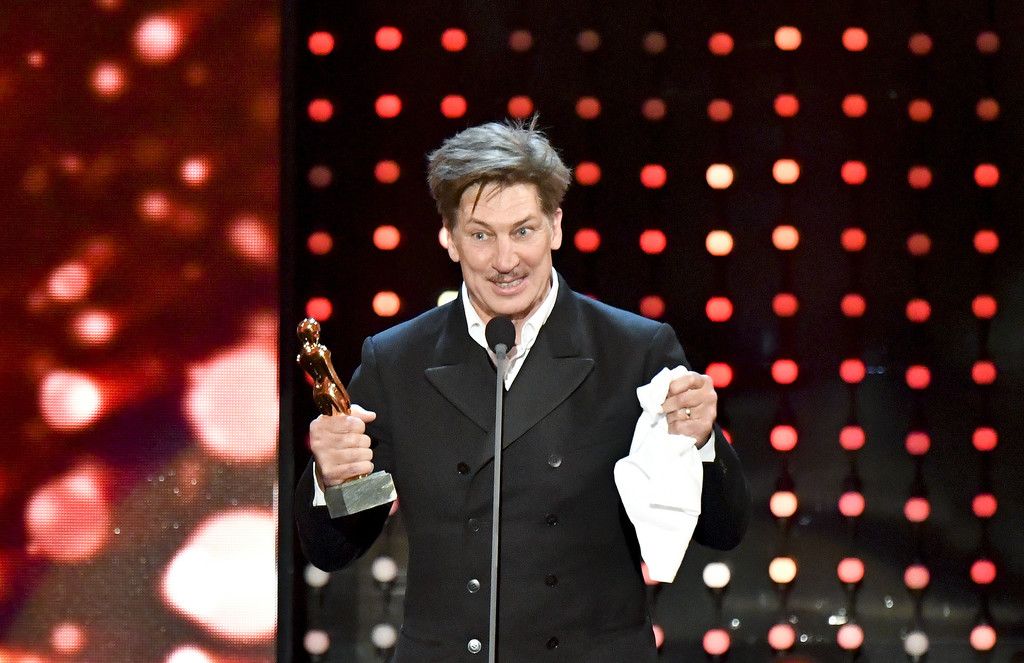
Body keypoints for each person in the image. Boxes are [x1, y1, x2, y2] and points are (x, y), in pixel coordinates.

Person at [295, 118, 750, 662]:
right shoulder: (397, 363)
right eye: (481, 235)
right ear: (449, 238)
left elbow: (722, 530)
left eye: (523, 231)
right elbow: (336, 548)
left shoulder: (634, 352)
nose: (505, 261)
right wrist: (332, 478)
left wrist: (702, 443)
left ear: (555, 227)